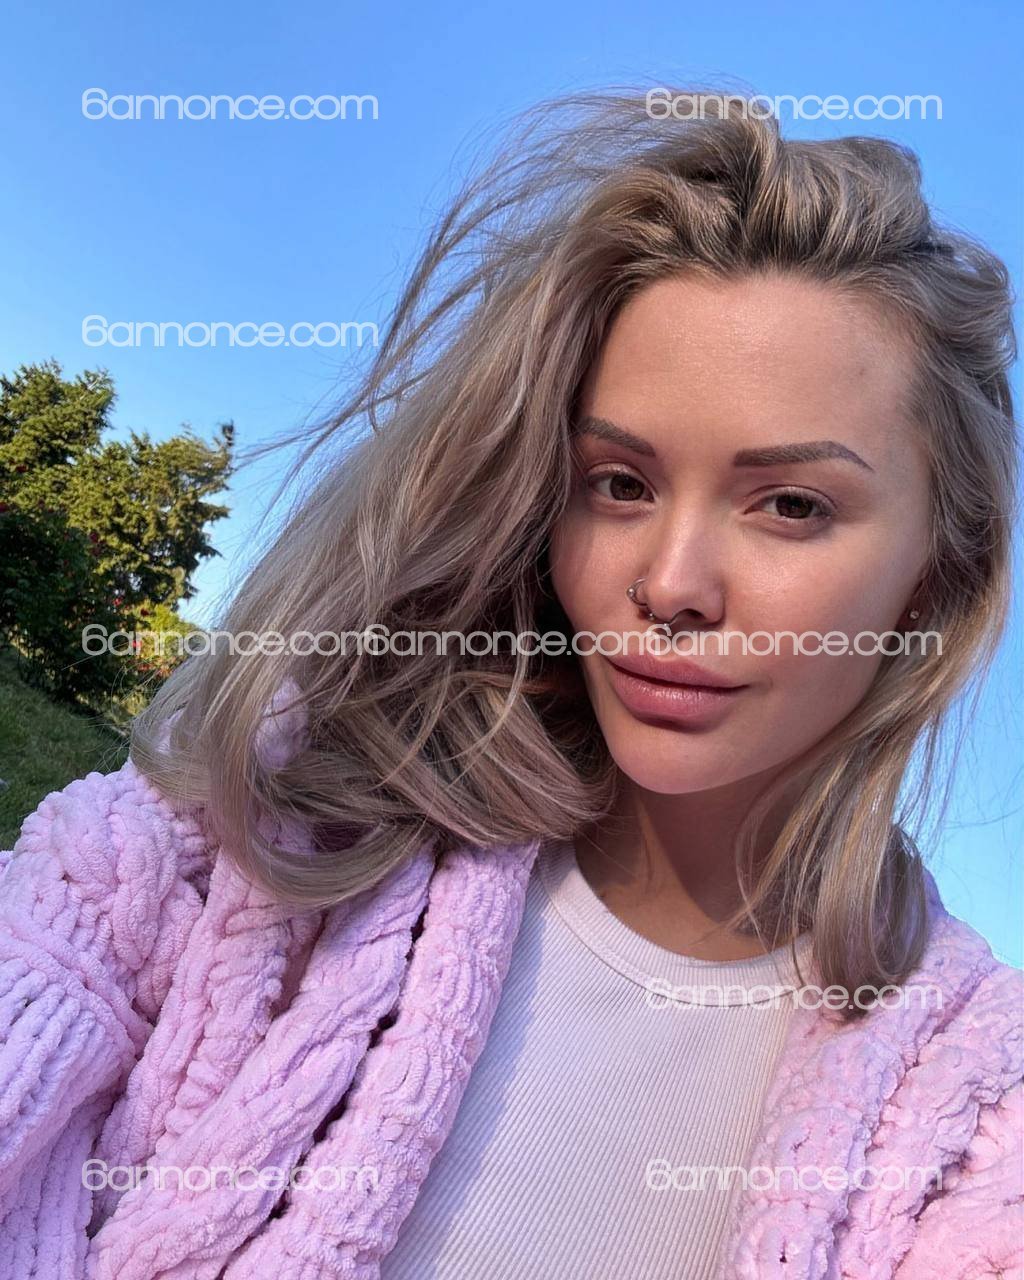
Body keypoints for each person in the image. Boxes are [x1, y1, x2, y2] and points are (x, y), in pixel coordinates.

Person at [1, 89, 1021, 1280]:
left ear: (937, 572)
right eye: (619, 483)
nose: (670, 583)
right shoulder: (244, 829)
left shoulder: (978, 1119)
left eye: (790, 504)